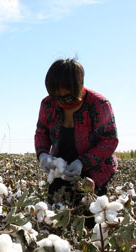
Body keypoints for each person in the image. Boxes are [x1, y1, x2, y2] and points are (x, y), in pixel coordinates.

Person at [35, 58, 118, 202]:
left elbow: (109, 140)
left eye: (66, 96)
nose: (60, 100)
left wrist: (82, 162)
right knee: (55, 216)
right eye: (56, 96)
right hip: (61, 172)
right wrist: (42, 155)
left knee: (90, 217)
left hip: (95, 174)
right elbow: (42, 133)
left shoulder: (99, 104)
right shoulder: (48, 104)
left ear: (79, 87)